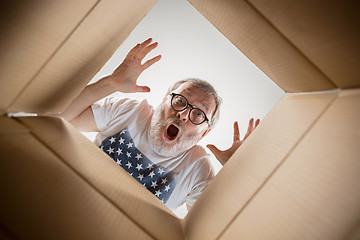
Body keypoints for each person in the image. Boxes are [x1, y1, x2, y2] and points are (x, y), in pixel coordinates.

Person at [57, 38, 260, 212]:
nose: (182, 114)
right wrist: (110, 83)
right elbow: (57, 116)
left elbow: (206, 231)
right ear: (163, 100)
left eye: (198, 114)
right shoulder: (130, 112)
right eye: (180, 100)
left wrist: (235, 174)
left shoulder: (197, 168)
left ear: (204, 134)